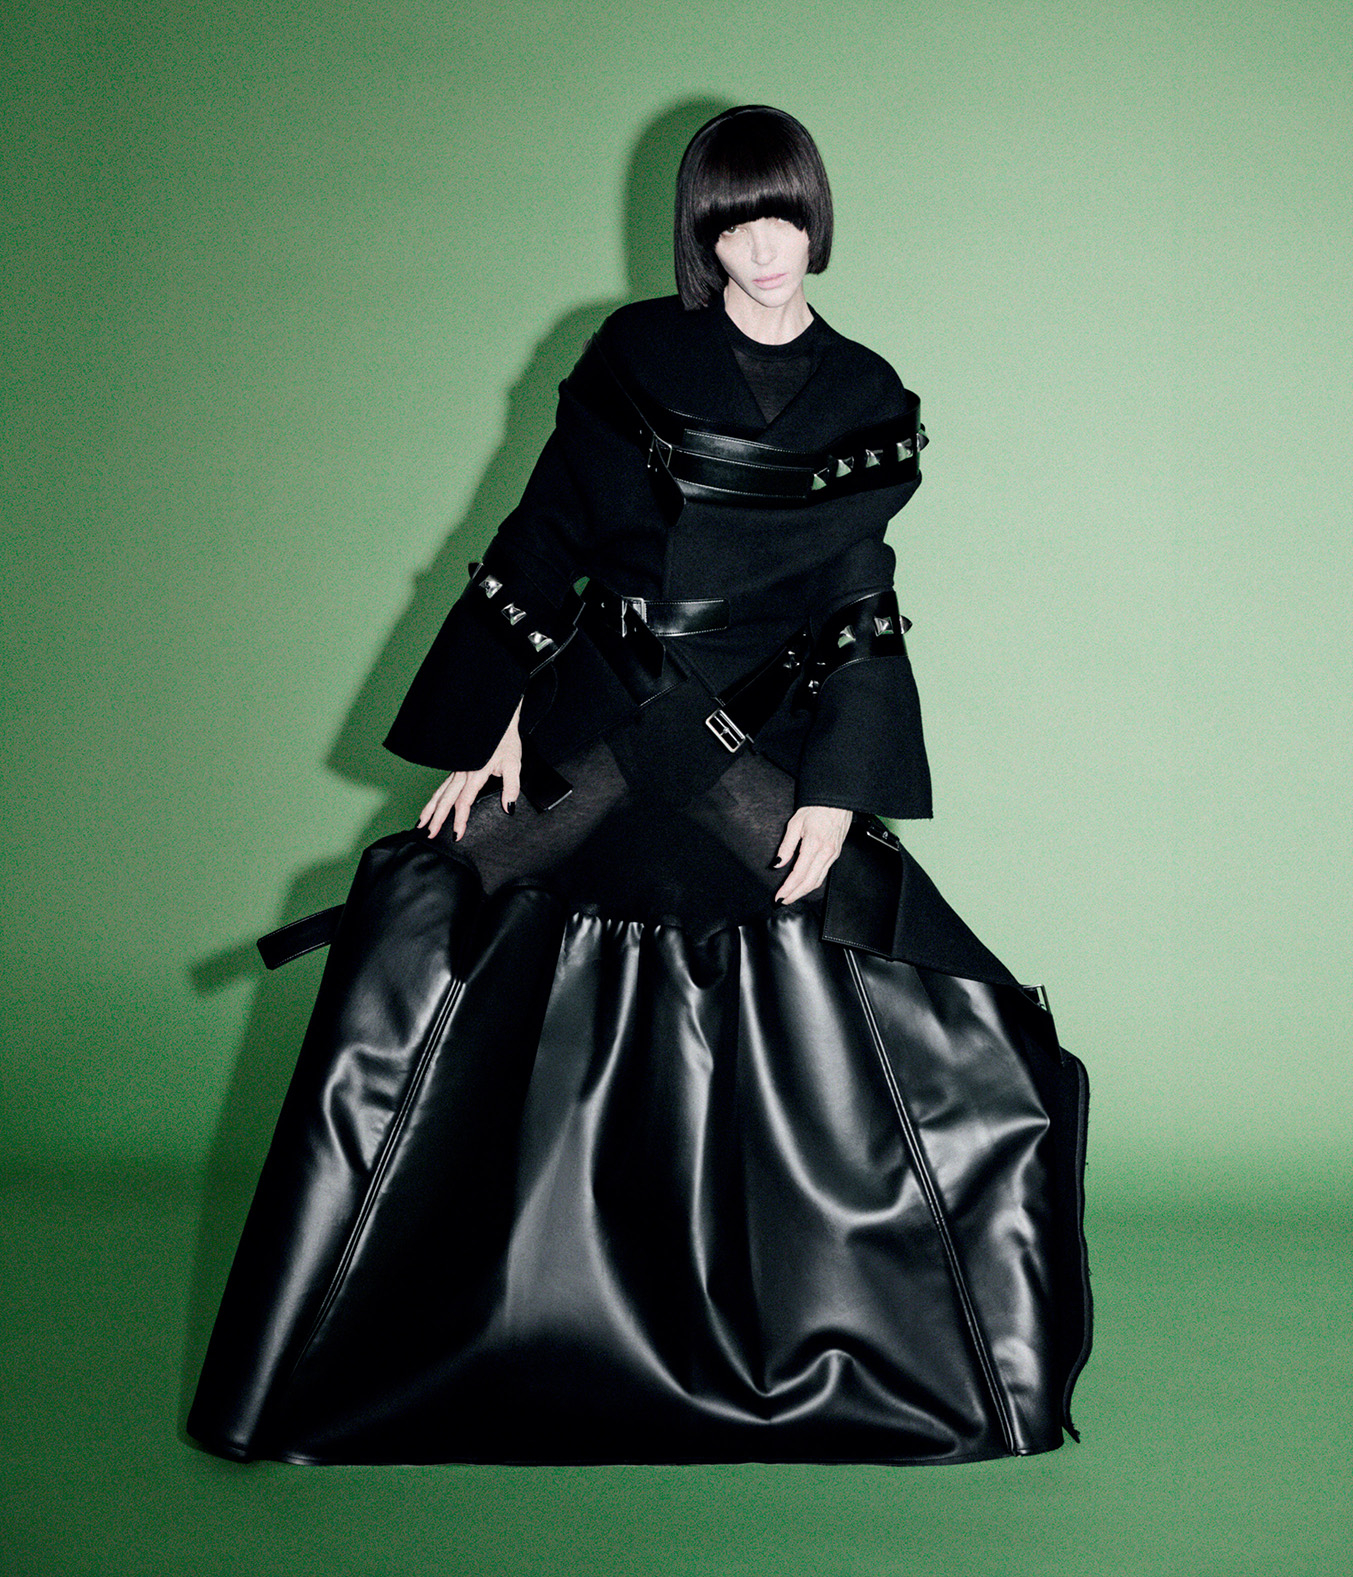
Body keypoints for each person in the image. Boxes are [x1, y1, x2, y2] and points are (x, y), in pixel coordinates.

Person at [188, 106, 1091, 1467]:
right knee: (431, 907)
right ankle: (325, 1355)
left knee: (901, 964)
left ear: (818, 220)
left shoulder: (862, 391)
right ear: (701, 233)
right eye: (736, 222)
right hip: (600, 720)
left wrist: (837, 786)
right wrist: (490, 718)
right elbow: (540, 535)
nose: (764, 247)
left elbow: (859, 601)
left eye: (785, 216)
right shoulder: (635, 354)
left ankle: (959, 1360)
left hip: (751, 743)